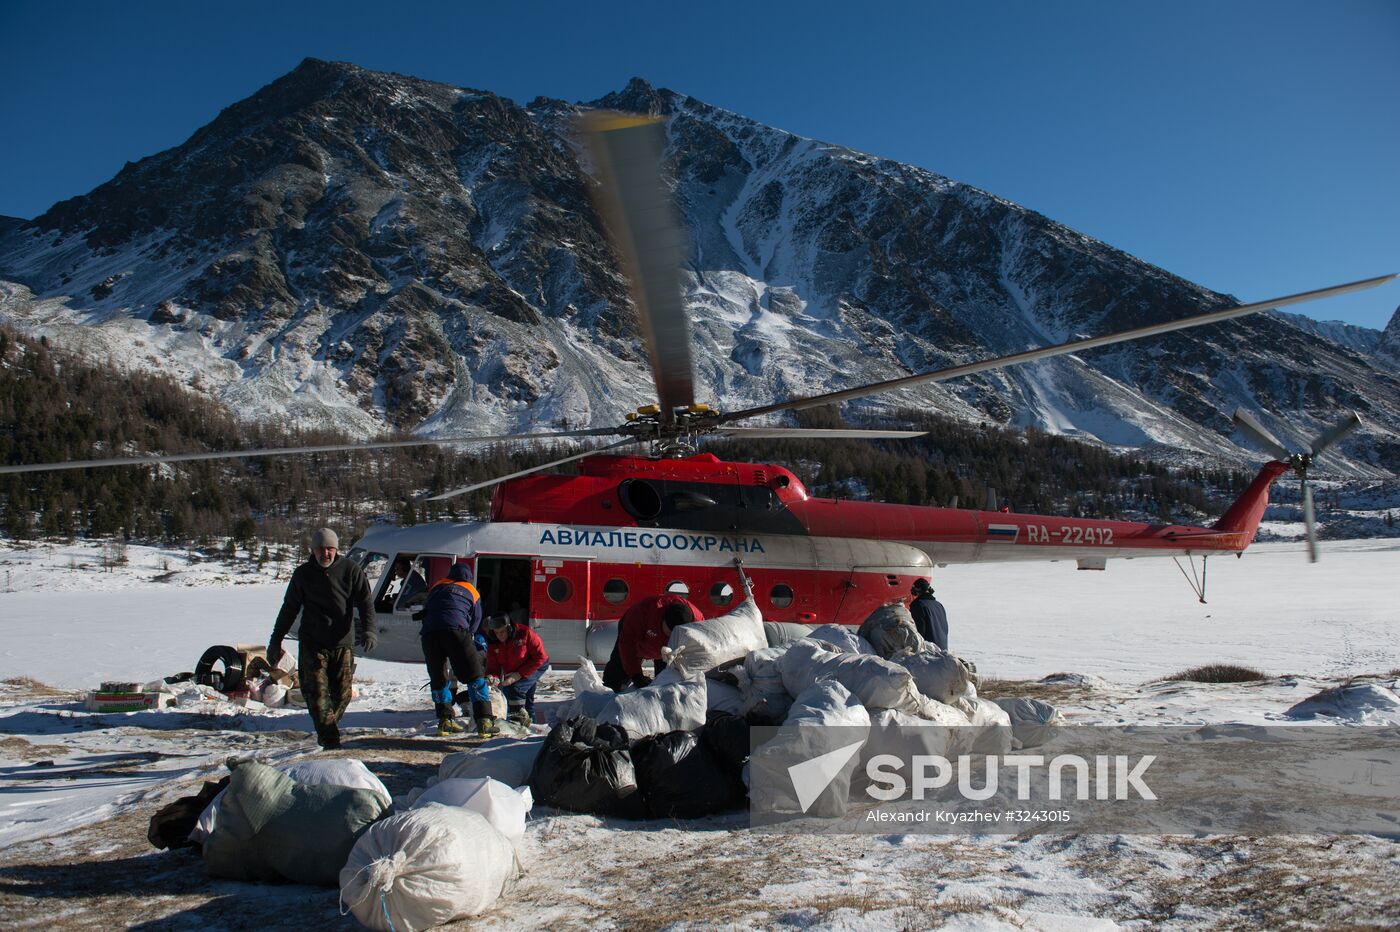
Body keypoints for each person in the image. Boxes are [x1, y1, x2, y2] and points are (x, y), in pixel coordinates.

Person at [267, 527, 375, 750]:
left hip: (342, 642)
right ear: (313, 550)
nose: (325, 553)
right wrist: (275, 640)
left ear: (336, 549)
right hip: (313, 641)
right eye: (320, 549)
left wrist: (369, 630)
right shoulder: (303, 574)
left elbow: (365, 603)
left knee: (343, 695)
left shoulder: (351, 570)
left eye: (329, 548)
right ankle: (330, 741)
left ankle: (327, 732)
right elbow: (289, 608)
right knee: (316, 694)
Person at [417, 562, 495, 737]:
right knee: (474, 676)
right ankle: (484, 721)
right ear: (468, 577)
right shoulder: (471, 590)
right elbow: (476, 619)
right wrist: (468, 637)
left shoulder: (437, 586)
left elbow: (427, 610)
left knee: (439, 678)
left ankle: (445, 721)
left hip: (429, 634)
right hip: (456, 632)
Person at [602, 593, 703, 691]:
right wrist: (636, 675)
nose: (671, 637)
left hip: (668, 654)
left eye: (675, 635)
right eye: (669, 633)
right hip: (639, 643)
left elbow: (702, 647)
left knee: (665, 684)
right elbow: (627, 645)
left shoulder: (697, 621)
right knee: (616, 677)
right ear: (663, 619)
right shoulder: (643, 613)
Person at [484, 613, 550, 726]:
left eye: (502, 632)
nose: (500, 635)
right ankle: (533, 727)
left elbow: (540, 656)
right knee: (527, 699)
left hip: (536, 664)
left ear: (509, 628)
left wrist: (519, 675)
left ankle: (517, 720)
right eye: (497, 632)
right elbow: (493, 666)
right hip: (514, 669)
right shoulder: (493, 642)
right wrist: (492, 677)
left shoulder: (525, 633)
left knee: (515, 689)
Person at [908, 577, 949, 651]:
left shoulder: (918, 605)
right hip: (943, 650)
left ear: (918, 590)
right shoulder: (939, 605)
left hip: (929, 652)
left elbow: (919, 631)